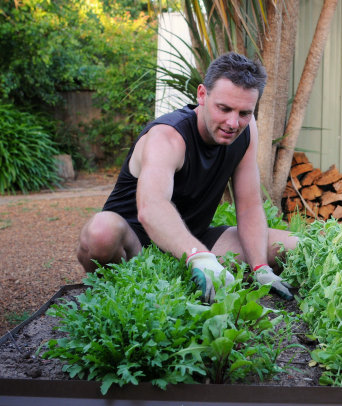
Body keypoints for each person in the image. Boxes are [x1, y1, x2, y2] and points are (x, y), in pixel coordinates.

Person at [77, 52, 296, 302]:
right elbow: (152, 207)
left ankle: (200, 271)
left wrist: (260, 268)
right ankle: (121, 289)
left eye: (244, 113)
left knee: (292, 246)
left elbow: (248, 206)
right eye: (223, 108)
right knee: (100, 231)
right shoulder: (168, 136)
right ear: (202, 95)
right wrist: (200, 257)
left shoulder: (246, 130)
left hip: (194, 239)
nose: (233, 122)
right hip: (135, 246)